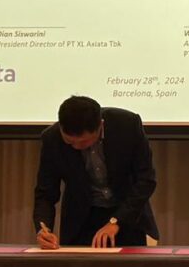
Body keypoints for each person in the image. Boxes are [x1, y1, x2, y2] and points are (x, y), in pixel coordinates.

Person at [34, 95, 159, 248]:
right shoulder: (51, 139)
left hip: (127, 215)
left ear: (101, 125)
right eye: (70, 142)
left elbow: (146, 180)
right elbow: (45, 193)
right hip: (81, 222)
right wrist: (43, 229)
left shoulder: (127, 125)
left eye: (84, 142)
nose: (77, 147)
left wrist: (117, 221)